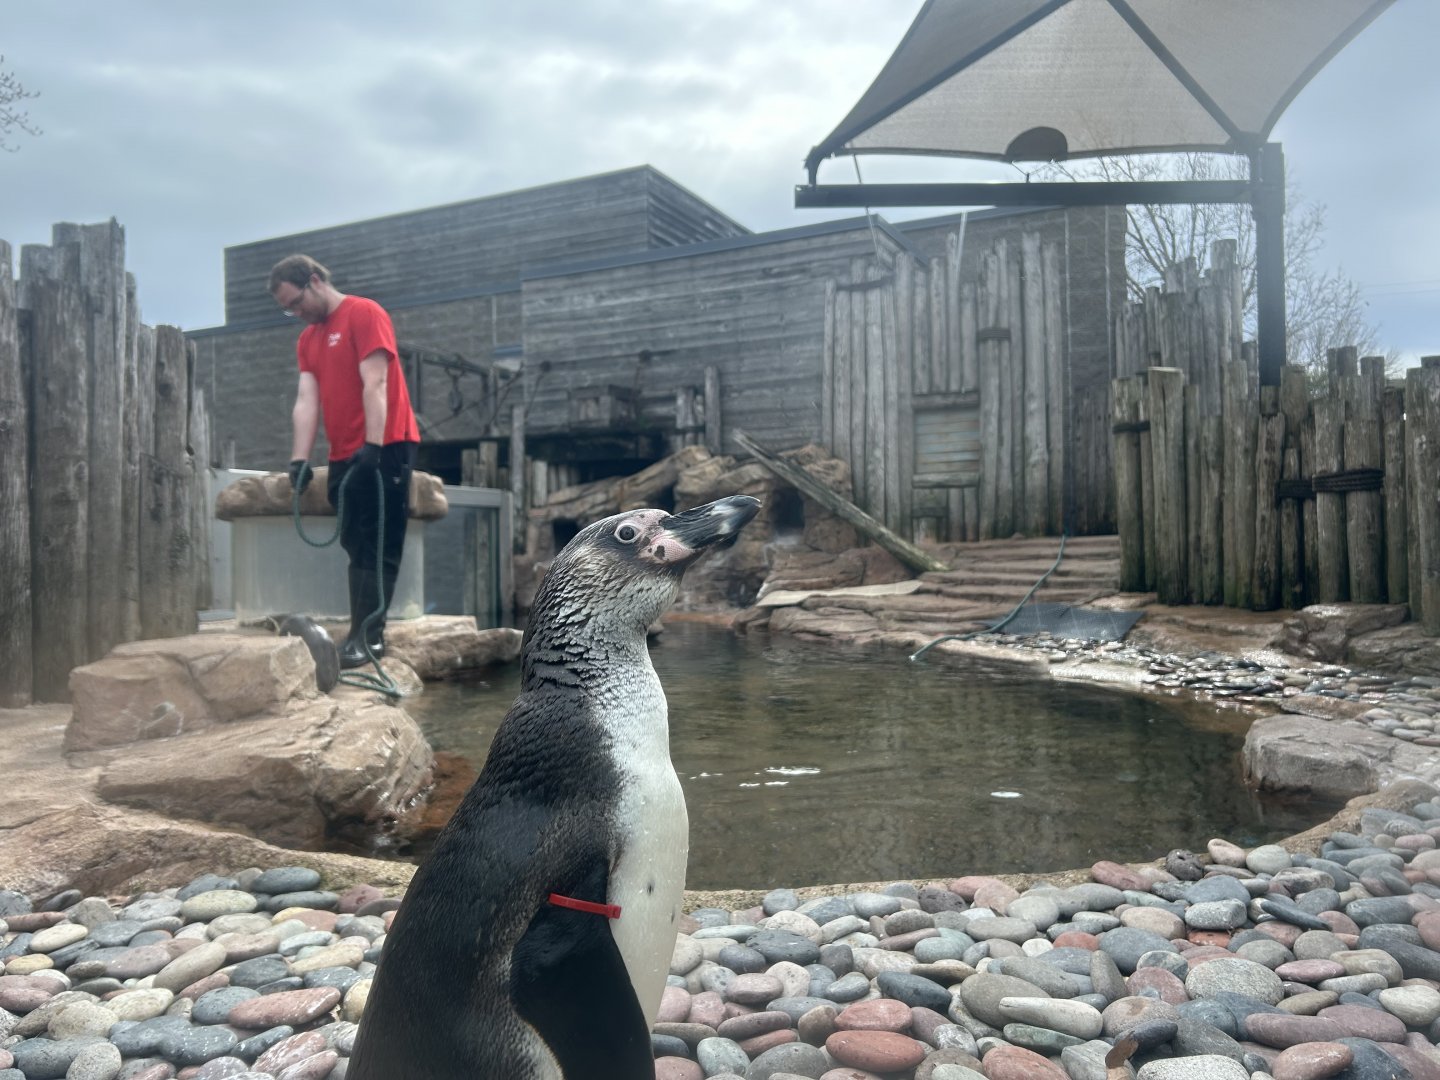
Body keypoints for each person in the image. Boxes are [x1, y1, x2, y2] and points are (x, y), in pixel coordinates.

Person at [270, 254, 420, 669]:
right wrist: (299, 459)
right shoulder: (309, 339)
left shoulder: (364, 313)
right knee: (355, 543)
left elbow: (376, 381)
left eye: (296, 303)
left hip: (386, 447)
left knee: (379, 543)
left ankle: (370, 638)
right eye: (289, 309)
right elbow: (307, 399)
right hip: (344, 454)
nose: (296, 313)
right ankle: (359, 632)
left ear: (314, 281)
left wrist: (373, 446)